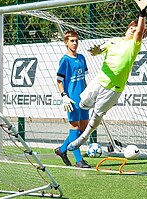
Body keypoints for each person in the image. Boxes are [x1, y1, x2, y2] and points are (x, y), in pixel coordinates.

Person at [67, 4, 147, 152]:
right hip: (99, 80)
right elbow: (100, 49)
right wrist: (97, 50)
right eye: (132, 28)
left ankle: (84, 137)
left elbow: (139, 31)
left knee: (97, 115)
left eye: (137, 30)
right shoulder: (114, 41)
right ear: (127, 28)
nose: (134, 31)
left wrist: (142, 12)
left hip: (114, 88)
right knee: (82, 103)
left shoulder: (134, 45)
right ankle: (103, 104)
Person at [55, 30, 91, 168]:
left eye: (76, 40)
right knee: (74, 126)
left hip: (83, 99)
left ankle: (62, 149)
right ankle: (78, 160)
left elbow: (84, 79)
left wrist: (88, 94)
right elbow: (59, 81)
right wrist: (64, 96)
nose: (75, 43)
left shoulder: (81, 58)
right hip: (72, 100)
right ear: (66, 42)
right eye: (72, 41)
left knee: (84, 128)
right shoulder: (65, 60)